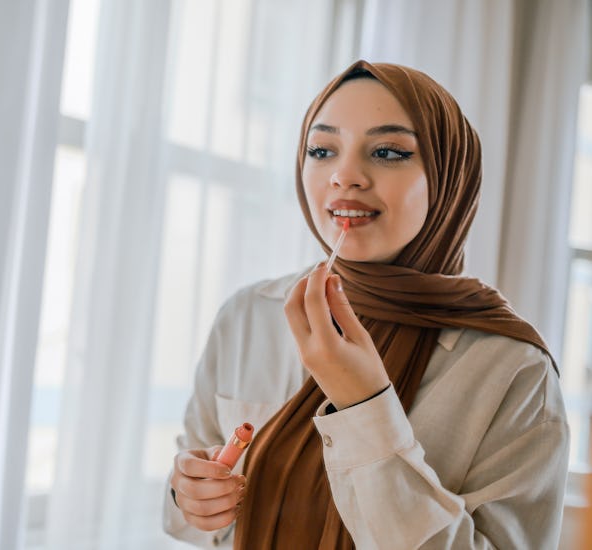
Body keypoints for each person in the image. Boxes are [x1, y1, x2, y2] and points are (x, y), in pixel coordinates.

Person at [162, 60, 569, 549]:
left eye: (387, 151)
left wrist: (364, 407)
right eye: (321, 149)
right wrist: (191, 495)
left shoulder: (515, 371)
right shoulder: (248, 315)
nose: (345, 175)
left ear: (448, 179)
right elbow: (187, 512)